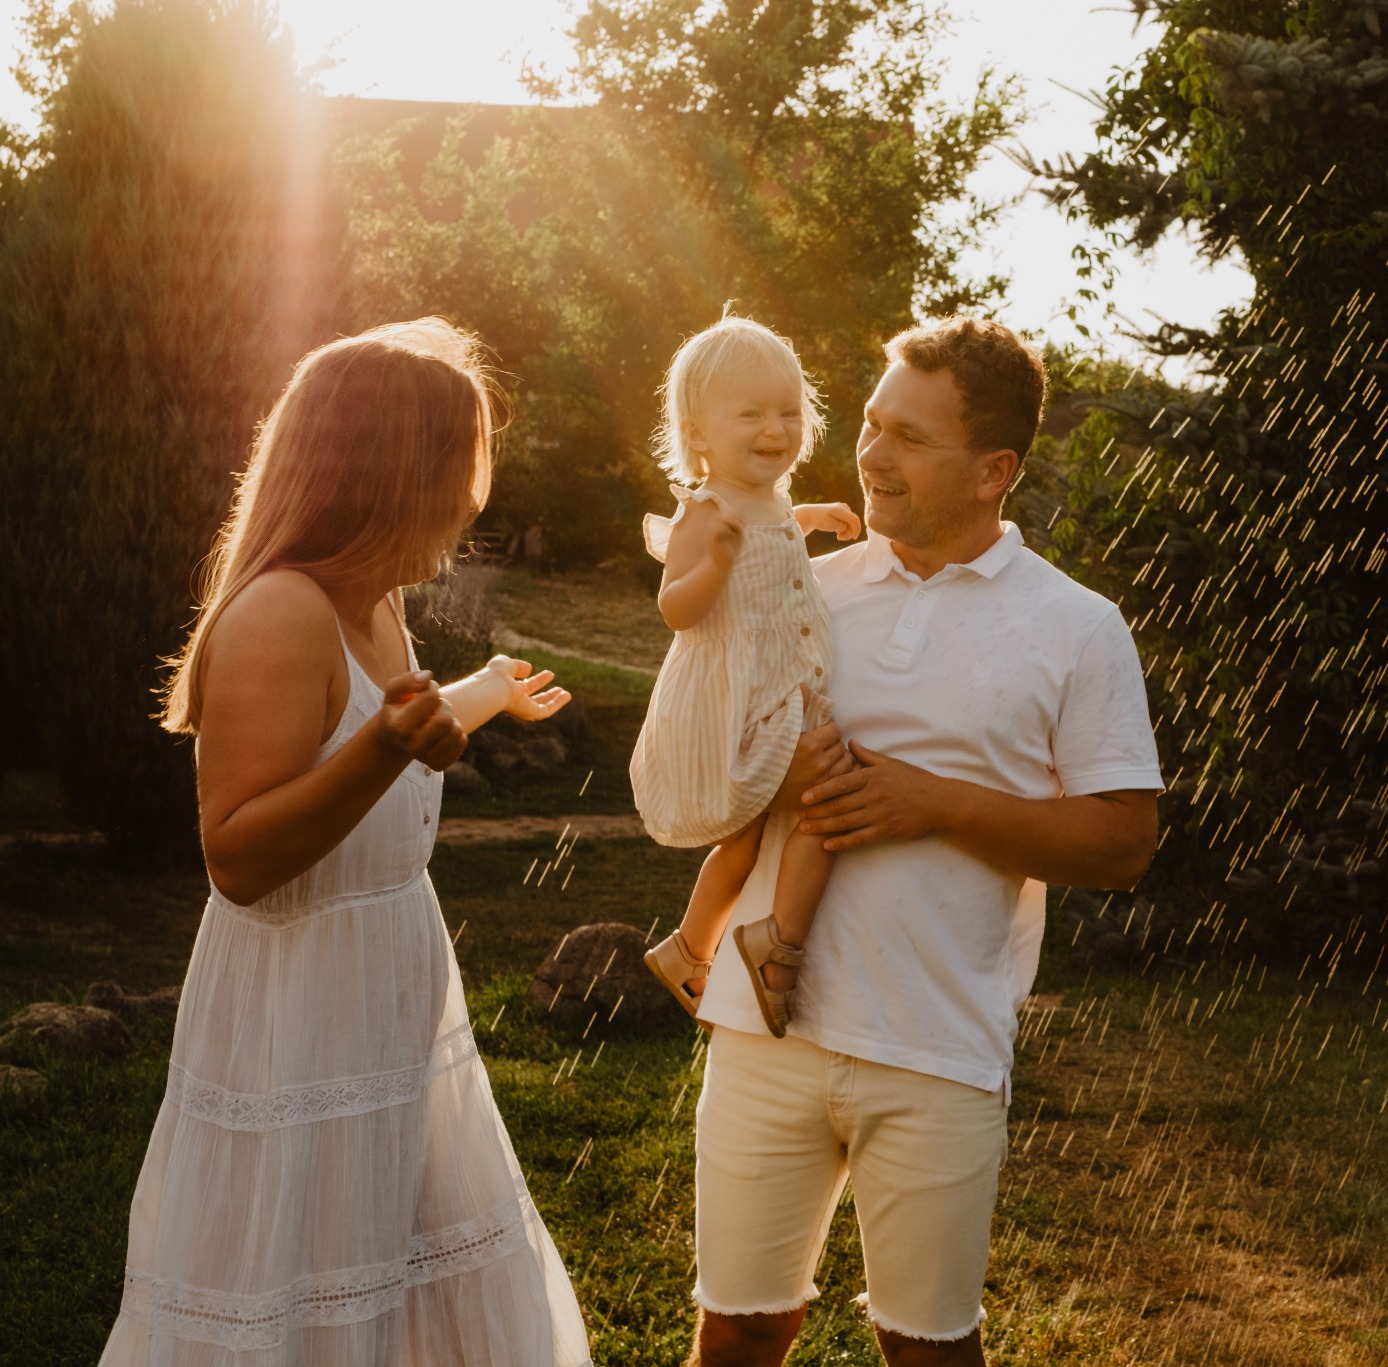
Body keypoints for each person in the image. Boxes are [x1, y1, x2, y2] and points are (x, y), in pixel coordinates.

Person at [103, 319, 592, 1366]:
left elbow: (393, 719)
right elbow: (237, 859)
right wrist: (382, 747)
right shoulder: (282, 613)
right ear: (384, 472)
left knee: (395, 1278)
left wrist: (482, 693)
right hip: (300, 1012)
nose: (469, 499)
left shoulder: (374, 601)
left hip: (388, 984)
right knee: (306, 1292)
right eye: (453, 469)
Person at [686, 317, 1164, 1367]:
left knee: (929, 1347)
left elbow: (1123, 841)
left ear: (994, 468)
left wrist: (933, 802)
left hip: (936, 1043)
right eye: (867, 423)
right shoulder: (803, 583)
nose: (869, 453)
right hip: (766, 1032)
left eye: (907, 436)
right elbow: (710, 757)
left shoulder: (1077, 626)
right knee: (739, 1329)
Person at [633, 313, 863, 1034]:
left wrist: (814, 515)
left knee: (774, 828)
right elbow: (675, 608)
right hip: (742, 697)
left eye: (789, 412)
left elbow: (780, 524)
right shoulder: (704, 513)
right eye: (752, 414)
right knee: (816, 809)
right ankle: (772, 946)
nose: (776, 428)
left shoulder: (769, 501)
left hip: (781, 688)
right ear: (698, 434)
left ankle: (692, 947)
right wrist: (715, 565)